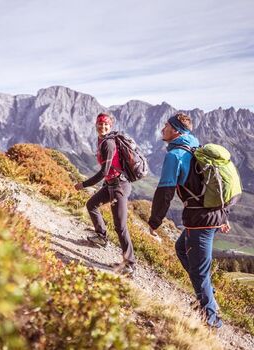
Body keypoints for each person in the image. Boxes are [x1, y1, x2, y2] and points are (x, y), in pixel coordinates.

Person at [148, 112, 229, 328]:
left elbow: (165, 191)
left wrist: (154, 221)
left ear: (175, 130)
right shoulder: (197, 147)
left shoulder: (175, 155)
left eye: (165, 125)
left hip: (200, 219)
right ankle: (208, 294)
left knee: (200, 270)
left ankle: (211, 319)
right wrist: (224, 215)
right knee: (181, 248)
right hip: (213, 215)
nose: (162, 129)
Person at [74, 113, 136, 276]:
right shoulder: (101, 140)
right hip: (111, 184)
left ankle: (130, 263)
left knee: (120, 226)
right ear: (96, 125)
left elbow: (104, 171)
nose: (102, 127)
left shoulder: (108, 143)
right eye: (100, 124)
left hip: (119, 187)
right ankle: (101, 237)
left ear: (110, 126)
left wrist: (84, 184)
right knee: (91, 204)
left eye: (106, 125)